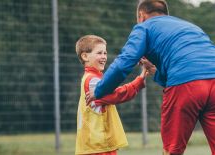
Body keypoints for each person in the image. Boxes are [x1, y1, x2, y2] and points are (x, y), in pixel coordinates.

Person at [85, 0, 215, 155]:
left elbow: (123, 64)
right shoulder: (190, 27)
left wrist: (99, 90)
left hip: (186, 84)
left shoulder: (144, 27)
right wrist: (156, 71)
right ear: (166, 14)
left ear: (141, 15)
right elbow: (192, 62)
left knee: (172, 150)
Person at [75, 35, 150, 155]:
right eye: (99, 53)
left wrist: (143, 74)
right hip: (97, 146)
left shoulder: (97, 78)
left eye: (105, 53)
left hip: (102, 144)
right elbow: (117, 95)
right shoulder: (92, 81)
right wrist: (139, 79)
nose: (104, 57)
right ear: (85, 56)